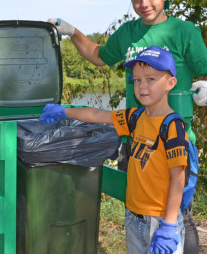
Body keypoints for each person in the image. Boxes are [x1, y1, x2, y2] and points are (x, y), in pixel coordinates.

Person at [49, 0, 207, 253]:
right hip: (136, 135)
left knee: (179, 215)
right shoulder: (128, 33)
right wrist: (73, 32)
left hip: (173, 138)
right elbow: (97, 56)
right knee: (138, 208)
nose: (144, 4)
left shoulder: (183, 31)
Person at [41, 46, 187, 254]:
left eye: (151, 79)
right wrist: (64, 111)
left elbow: (178, 178)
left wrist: (170, 225)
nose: (142, 86)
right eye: (136, 80)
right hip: (134, 216)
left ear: (170, 83)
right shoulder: (135, 117)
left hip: (161, 220)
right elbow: (97, 115)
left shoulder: (173, 127)